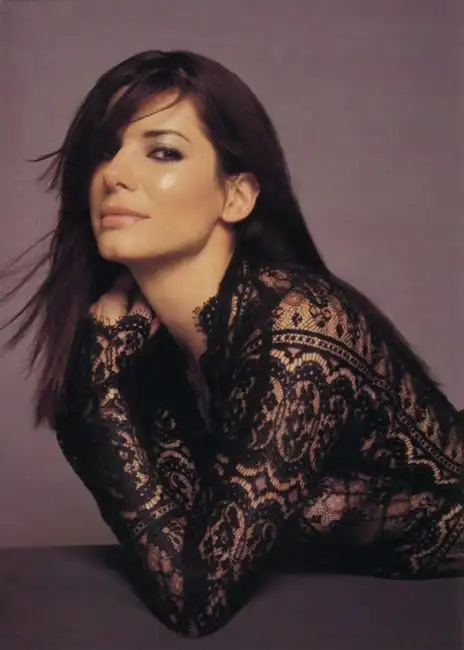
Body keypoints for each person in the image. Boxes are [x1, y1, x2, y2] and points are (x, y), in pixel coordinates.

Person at [1, 49, 462, 638]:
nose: (114, 173)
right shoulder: (131, 342)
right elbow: (180, 537)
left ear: (236, 197)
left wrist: (103, 391)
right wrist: (102, 377)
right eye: (105, 151)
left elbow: (196, 598)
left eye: (163, 151)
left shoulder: (299, 330)